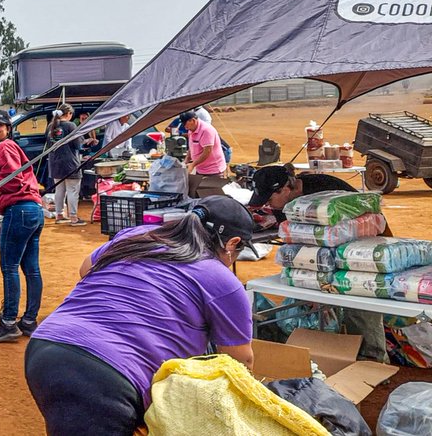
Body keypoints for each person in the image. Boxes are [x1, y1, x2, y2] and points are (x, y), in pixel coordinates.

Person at [25, 196, 257, 435]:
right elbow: (240, 362)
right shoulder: (221, 279)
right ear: (232, 243)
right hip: (107, 376)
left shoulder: (139, 236)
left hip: (47, 348)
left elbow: (86, 269)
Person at [249, 164, 388, 362]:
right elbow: (298, 239)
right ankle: (332, 353)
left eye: (270, 199)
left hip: (360, 250)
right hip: (324, 257)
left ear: (285, 189)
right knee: (314, 303)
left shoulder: (325, 189)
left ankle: (373, 360)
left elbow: (372, 222)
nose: (269, 206)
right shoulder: (285, 205)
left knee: (360, 304)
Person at [0, 110, 44, 343]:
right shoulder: (5, 147)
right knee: (31, 268)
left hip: (19, 210)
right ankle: (28, 320)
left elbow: (13, 179)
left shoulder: (4, 147)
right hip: (33, 210)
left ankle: (8, 323)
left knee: (9, 266)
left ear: (8, 128)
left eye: (0, 125)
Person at [47, 104, 85, 226]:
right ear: (68, 114)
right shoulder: (71, 125)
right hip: (70, 163)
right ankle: (73, 217)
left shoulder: (50, 126)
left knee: (59, 190)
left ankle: (59, 215)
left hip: (55, 163)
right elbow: (78, 145)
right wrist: (86, 142)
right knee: (73, 190)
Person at [180, 110, 228, 198]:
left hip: (214, 170)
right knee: (200, 193)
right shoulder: (191, 130)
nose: (185, 127)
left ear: (193, 121)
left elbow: (207, 151)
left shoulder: (206, 130)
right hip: (201, 169)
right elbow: (191, 147)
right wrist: (186, 160)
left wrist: (193, 164)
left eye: (185, 124)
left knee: (213, 196)